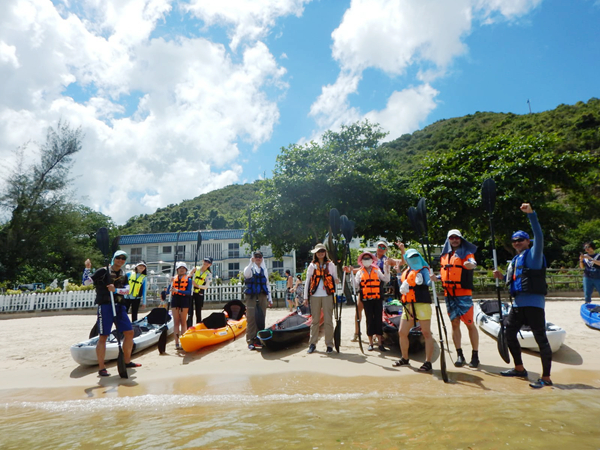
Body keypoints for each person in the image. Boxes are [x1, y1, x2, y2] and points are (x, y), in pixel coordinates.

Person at [493, 203, 552, 389]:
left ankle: (546, 378)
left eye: (520, 240)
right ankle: (519, 368)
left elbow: (539, 236)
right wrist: (502, 276)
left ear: (528, 242)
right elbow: (514, 280)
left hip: (534, 305)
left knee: (541, 339)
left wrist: (531, 214)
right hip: (518, 305)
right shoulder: (516, 260)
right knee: (509, 333)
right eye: (514, 241)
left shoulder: (534, 255)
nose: (517, 243)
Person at [82, 251, 141, 377]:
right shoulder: (103, 271)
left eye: (123, 258)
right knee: (103, 336)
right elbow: (86, 282)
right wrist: (87, 269)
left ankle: (126, 361)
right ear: (114, 259)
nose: (120, 260)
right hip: (105, 307)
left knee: (129, 332)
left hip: (119, 306)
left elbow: (127, 290)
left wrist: (115, 290)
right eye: (118, 258)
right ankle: (102, 368)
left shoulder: (123, 274)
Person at [439, 229, 480, 368]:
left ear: (461, 239)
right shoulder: (445, 255)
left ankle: (475, 355)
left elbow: (472, 262)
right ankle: (459, 354)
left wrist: (471, 265)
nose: (454, 240)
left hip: (463, 294)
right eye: (451, 238)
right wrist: (436, 277)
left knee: (469, 323)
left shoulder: (467, 253)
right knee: (454, 323)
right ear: (448, 240)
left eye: (457, 237)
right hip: (449, 295)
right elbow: (446, 272)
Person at [392, 249, 435, 372]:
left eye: (416, 256)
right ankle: (405, 358)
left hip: (421, 304)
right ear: (407, 259)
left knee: (426, 333)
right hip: (408, 305)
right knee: (402, 332)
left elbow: (428, 282)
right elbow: (402, 283)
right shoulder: (407, 271)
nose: (414, 259)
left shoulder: (424, 270)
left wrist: (433, 279)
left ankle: (428, 362)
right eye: (411, 257)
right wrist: (398, 272)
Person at [353, 241, 403, 340]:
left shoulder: (387, 260)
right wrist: (350, 270)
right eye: (379, 246)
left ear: (386, 250)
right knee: (359, 309)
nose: (381, 248)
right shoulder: (369, 257)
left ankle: (377, 334)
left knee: (377, 313)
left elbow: (402, 262)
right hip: (365, 288)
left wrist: (402, 250)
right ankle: (357, 332)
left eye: (383, 247)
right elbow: (360, 269)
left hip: (377, 288)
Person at [345, 251, 391, 352]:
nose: (366, 260)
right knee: (369, 319)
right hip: (366, 299)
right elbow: (355, 285)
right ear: (361, 261)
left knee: (378, 319)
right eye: (364, 259)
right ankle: (370, 343)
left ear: (372, 260)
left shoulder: (377, 270)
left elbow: (386, 279)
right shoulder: (360, 272)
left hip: (377, 298)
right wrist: (351, 274)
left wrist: (387, 268)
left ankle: (380, 342)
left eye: (368, 258)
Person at [305, 243, 339, 354]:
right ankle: (312, 344)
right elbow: (307, 281)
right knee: (315, 320)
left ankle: (329, 344)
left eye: (322, 251)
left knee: (328, 320)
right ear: (315, 253)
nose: (320, 253)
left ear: (325, 252)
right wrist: (305, 297)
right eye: (318, 252)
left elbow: (335, 278)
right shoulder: (312, 265)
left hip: (327, 295)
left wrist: (337, 280)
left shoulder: (331, 265)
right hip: (315, 295)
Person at [244, 250, 273, 350]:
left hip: (262, 296)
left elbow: (267, 284)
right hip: (251, 296)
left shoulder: (264, 270)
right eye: (256, 256)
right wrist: (250, 262)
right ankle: (251, 341)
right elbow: (246, 274)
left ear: (262, 258)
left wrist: (270, 298)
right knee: (251, 318)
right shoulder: (250, 268)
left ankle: (259, 339)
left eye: (260, 256)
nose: (258, 258)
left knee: (261, 317)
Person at [169, 261, 193, 350]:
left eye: (183, 268)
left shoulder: (189, 279)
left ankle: (183, 342)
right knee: (176, 321)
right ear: (177, 270)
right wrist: (170, 283)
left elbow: (189, 292)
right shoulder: (173, 279)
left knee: (183, 321)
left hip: (184, 300)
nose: (182, 270)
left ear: (186, 270)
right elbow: (168, 291)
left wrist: (178, 291)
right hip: (175, 300)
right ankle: (176, 343)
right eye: (180, 268)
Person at [187, 257, 213, 327]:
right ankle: (189, 327)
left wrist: (197, 285)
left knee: (198, 311)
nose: (206, 263)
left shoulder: (209, 274)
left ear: (210, 264)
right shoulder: (195, 269)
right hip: (191, 292)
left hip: (199, 293)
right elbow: (188, 276)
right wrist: (191, 274)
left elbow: (206, 286)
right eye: (205, 261)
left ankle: (198, 326)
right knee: (190, 311)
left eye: (208, 262)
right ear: (203, 261)